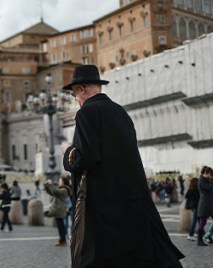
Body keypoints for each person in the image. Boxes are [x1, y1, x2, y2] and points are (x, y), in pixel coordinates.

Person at [60, 65, 183, 267]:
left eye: (75, 94)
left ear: (82, 89)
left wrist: (68, 152)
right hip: (131, 198)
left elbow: (86, 159)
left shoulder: (86, 113)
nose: (76, 99)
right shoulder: (120, 111)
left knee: (99, 256)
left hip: (101, 203)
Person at [197, 167, 213, 246]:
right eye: (210, 175)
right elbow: (208, 188)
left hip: (211, 203)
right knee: (203, 221)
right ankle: (199, 240)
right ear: (206, 173)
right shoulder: (202, 180)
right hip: (205, 203)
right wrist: (211, 180)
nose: (211, 177)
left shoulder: (208, 180)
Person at [45, 177, 70, 246]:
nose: (59, 182)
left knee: (61, 225)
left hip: (59, 209)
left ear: (63, 182)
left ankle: (63, 240)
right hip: (58, 209)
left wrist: (50, 184)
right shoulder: (62, 189)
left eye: (60, 181)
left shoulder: (64, 190)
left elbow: (55, 192)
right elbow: (52, 192)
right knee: (60, 225)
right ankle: (62, 240)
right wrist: (47, 186)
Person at [184, 178, 200, 242]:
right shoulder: (197, 189)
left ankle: (201, 234)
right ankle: (191, 235)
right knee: (196, 221)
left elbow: (186, 196)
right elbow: (198, 198)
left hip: (192, 206)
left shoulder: (190, 189)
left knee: (199, 220)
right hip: (196, 206)